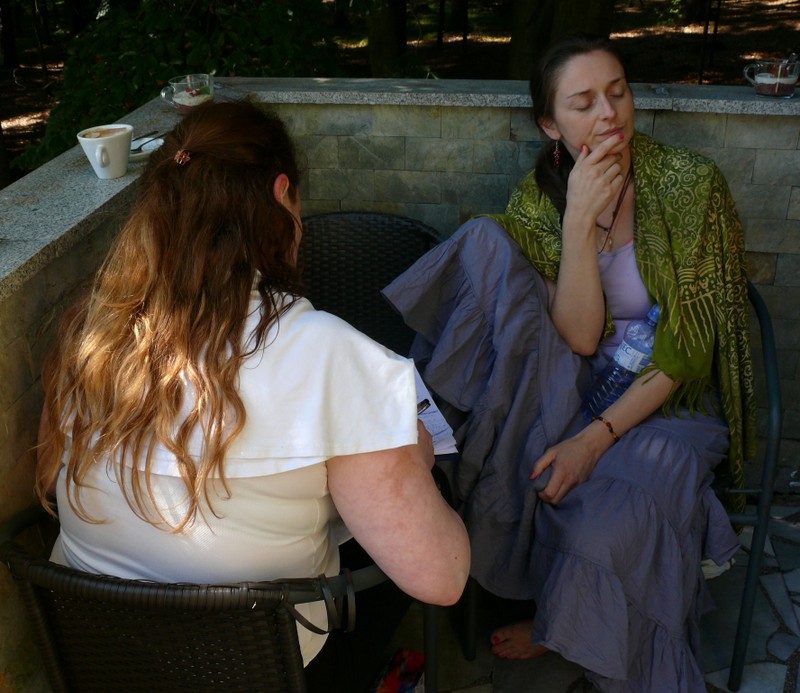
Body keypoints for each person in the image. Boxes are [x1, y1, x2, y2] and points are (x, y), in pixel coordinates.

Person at [34, 101, 470, 690]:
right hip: (261, 673)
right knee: (398, 547)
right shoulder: (326, 354)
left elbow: (56, 484)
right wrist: (412, 457)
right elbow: (441, 578)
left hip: (103, 664)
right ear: (282, 194)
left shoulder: (90, 331)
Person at [382, 35, 755, 692]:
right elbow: (580, 340)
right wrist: (579, 219)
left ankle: (570, 623)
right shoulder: (539, 200)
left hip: (669, 396)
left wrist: (594, 439)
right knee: (484, 245)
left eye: (618, 92)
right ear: (551, 124)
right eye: (584, 103)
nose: (609, 113)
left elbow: (691, 353)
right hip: (578, 380)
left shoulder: (689, 185)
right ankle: (558, 608)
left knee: (605, 524)